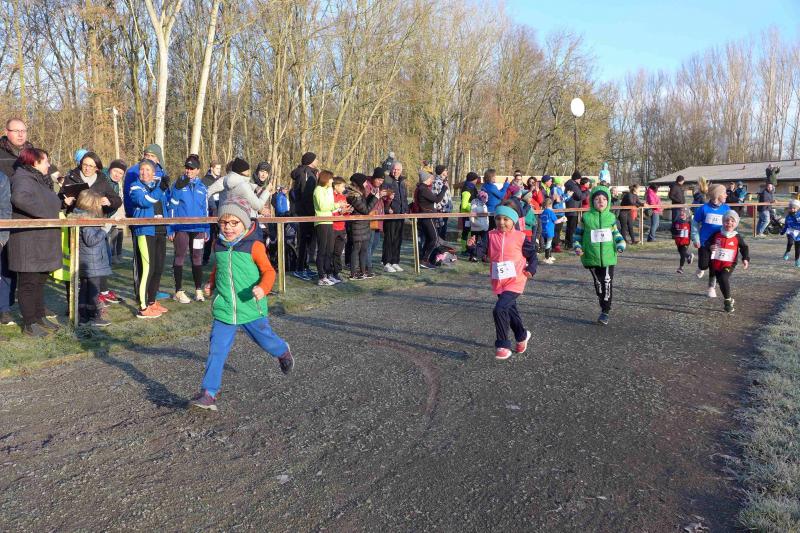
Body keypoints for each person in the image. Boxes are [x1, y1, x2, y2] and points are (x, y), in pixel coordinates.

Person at [190, 197, 294, 412]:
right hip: (225, 308)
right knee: (217, 349)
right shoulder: (218, 244)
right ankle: (209, 393)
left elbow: (269, 271)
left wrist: (263, 288)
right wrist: (211, 284)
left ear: (244, 223)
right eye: (223, 223)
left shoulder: (254, 246)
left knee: (265, 341)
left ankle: (283, 351)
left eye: (234, 223)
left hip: (250, 307)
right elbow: (219, 268)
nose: (228, 228)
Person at [8, 148, 65, 337]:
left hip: (42, 240)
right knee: (29, 283)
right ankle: (29, 323)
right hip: (28, 241)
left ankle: (40, 317)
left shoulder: (40, 179)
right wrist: (47, 214)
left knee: (40, 282)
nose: (49, 164)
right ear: (35, 162)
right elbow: (19, 198)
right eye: (46, 161)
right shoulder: (22, 178)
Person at [488, 202, 537, 360]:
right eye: (498, 219)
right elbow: (481, 250)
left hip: (516, 280)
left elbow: (532, 255)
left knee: (500, 309)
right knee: (510, 310)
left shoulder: (520, 237)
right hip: (499, 280)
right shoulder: (490, 235)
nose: (501, 222)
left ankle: (503, 345)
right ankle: (522, 335)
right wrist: (473, 247)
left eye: (505, 219)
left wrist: (531, 269)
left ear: (513, 221)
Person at [573, 185, 626, 325]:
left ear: (608, 201)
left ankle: (605, 311)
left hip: (608, 256)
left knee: (607, 281)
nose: (601, 201)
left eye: (604, 199)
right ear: (592, 201)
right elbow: (577, 235)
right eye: (597, 199)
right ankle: (602, 300)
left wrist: (620, 243)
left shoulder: (611, 218)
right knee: (599, 283)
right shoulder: (586, 218)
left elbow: (616, 233)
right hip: (591, 256)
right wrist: (577, 247)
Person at [129, 159, 169, 318]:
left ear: (154, 173)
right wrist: (160, 189)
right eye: (142, 169)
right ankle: (143, 307)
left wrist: (176, 188)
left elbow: (166, 206)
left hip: (160, 230)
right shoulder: (135, 186)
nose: (144, 172)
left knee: (158, 268)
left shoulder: (158, 186)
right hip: (145, 230)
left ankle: (152, 301)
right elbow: (145, 202)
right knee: (148, 268)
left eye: (147, 170)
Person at [168, 155, 210, 303]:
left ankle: (198, 290)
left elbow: (205, 210)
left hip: (198, 228)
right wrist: (170, 228)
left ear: (198, 170)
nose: (189, 171)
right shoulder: (178, 184)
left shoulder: (203, 188)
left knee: (197, 257)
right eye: (187, 168)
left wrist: (207, 229)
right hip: (181, 228)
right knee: (180, 256)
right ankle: (178, 291)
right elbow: (171, 206)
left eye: (192, 168)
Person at [72, 190, 113, 327]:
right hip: (92, 261)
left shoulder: (81, 216)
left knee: (85, 289)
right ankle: (94, 316)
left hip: (88, 260)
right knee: (93, 290)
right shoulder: (86, 218)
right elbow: (91, 240)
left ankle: (83, 316)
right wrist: (104, 230)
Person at [699, 211, 749, 312]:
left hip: (729, 263)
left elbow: (744, 247)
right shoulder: (717, 234)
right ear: (723, 222)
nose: (729, 223)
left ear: (736, 223)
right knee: (721, 281)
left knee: (723, 278)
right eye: (727, 221)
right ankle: (729, 299)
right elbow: (707, 243)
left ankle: (727, 301)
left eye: (732, 221)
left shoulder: (737, 236)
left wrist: (745, 258)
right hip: (716, 263)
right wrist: (710, 246)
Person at [692, 183, 730, 287]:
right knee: (704, 265)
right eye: (724, 193)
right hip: (704, 242)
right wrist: (695, 239)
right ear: (717, 195)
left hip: (719, 242)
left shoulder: (727, 209)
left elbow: (732, 223)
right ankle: (701, 268)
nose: (726, 195)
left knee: (714, 265)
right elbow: (695, 224)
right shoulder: (703, 208)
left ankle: (711, 287)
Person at [290, 152, 318, 280]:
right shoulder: (304, 173)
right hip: (304, 213)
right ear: (310, 161)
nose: (317, 161)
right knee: (303, 241)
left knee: (307, 241)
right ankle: (299, 269)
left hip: (307, 212)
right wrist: (311, 212)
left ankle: (305, 267)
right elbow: (305, 195)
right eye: (316, 159)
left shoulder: (310, 172)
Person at [346, 173, 379, 280]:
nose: (366, 184)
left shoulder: (359, 193)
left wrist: (372, 196)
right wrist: (376, 198)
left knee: (364, 249)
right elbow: (365, 210)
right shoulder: (353, 195)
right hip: (357, 225)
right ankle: (353, 273)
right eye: (365, 182)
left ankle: (363, 271)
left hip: (364, 225)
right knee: (356, 249)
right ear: (359, 183)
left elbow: (364, 205)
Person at [415, 170, 448, 268]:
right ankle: (424, 260)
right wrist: (444, 189)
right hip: (427, 216)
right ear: (426, 179)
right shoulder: (423, 189)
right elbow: (437, 199)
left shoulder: (423, 188)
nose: (432, 180)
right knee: (434, 239)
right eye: (430, 178)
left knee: (430, 239)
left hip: (427, 216)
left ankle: (424, 259)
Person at [312, 170, 337, 286]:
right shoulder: (318, 190)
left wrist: (340, 207)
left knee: (329, 249)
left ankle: (328, 273)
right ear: (326, 179)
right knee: (322, 250)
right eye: (331, 178)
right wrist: (337, 205)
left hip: (329, 221)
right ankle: (321, 276)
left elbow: (331, 206)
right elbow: (322, 207)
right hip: (321, 222)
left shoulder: (329, 190)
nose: (332, 181)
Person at [382, 161, 408, 269]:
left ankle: (395, 261)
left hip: (401, 214)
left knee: (398, 239)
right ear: (391, 169)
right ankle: (387, 262)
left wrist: (405, 210)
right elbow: (383, 197)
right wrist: (387, 209)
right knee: (389, 238)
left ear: (401, 170)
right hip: (391, 215)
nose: (395, 171)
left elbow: (404, 198)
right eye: (394, 169)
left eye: (398, 169)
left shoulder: (402, 182)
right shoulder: (387, 180)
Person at [365, 168, 387, 272]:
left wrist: (388, 198)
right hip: (371, 217)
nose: (380, 182)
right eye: (378, 179)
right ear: (374, 178)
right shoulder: (368, 186)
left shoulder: (380, 187)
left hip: (379, 218)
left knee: (376, 242)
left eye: (382, 180)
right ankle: (368, 266)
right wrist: (377, 196)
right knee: (369, 242)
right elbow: (368, 202)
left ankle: (367, 262)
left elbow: (382, 203)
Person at [106, 159, 127, 265]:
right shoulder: (103, 180)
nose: (117, 175)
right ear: (110, 169)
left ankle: (113, 258)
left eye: (120, 173)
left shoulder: (116, 184)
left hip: (109, 217)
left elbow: (117, 201)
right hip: (99, 219)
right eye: (115, 171)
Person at [202, 160, 223, 265]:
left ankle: (221, 258)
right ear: (212, 168)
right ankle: (205, 258)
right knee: (209, 235)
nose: (219, 170)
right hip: (210, 211)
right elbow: (207, 195)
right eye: (217, 168)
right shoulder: (205, 180)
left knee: (222, 234)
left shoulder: (221, 179)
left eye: (220, 168)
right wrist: (213, 208)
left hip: (221, 209)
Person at [331, 176, 351, 281]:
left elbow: (345, 213)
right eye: (342, 186)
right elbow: (329, 211)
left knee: (338, 252)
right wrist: (339, 212)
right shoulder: (330, 196)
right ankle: (328, 272)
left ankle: (337, 272)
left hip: (341, 228)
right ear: (336, 186)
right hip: (332, 227)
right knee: (330, 251)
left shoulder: (343, 197)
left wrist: (347, 211)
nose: (344, 188)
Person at [564, 170, 589, 249]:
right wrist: (587, 192)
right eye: (579, 179)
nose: (580, 180)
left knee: (569, 226)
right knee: (572, 227)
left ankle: (568, 243)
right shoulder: (573, 186)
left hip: (570, 207)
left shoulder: (570, 184)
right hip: (573, 208)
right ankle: (570, 243)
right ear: (576, 179)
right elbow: (580, 196)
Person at [541, 175, 565, 252]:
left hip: (556, 214)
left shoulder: (548, 189)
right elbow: (557, 200)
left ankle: (549, 252)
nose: (551, 182)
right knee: (555, 232)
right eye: (550, 181)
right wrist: (567, 196)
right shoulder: (553, 189)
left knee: (550, 239)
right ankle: (552, 249)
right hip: (557, 213)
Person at [539, 198, 566, 264]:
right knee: (548, 243)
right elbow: (556, 221)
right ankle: (547, 258)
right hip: (549, 230)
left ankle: (550, 256)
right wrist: (562, 219)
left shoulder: (543, 212)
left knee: (548, 243)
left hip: (544, 230)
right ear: (551, 205)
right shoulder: (551, 212)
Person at [467, 189, 489, 262]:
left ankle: (483, 255)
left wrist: (486, 224)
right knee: (474, 242)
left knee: (484, 242)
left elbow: (486, 216)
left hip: (484, 227)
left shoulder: (484, 204)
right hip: (476, 227)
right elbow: (471, 216)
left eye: (486, 198)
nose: (486, 199)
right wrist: (476, 224)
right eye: (484, 197)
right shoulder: (474, 204)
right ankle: (473, 256)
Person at [460, 172, 480, 250]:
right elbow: (464, 205)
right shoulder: (467, 188)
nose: (477, 181)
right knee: (466, 232)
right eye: (476, 179)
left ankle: (470, 248)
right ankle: (464, 249)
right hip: (466, 214)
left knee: (472, 232)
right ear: (473, 179)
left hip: (471, 214)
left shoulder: (472, 187)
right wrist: (474, 208)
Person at [671, 207, 694, 274]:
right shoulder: (676, 221)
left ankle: (681, 268)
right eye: (681, 212)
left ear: (687, 215)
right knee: (681, 252)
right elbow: (672, 229)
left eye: (683, 213)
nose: (682, 213)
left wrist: (693, 238)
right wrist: (674, 233)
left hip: (685, 241)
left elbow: (692, 231)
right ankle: (689, 256)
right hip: (678, 240)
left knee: (682, 254)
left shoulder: (689, 223)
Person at [433, 165, 452, 241]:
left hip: (446, 211)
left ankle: (442, 247)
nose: (447, 171)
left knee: (443, 232)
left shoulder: (445, 182)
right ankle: (437, 248)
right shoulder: (436, 182)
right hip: (440, 211)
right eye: (445, 170)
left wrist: (450, 207)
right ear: (441, 172)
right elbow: (435, 196)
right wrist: (439, 208)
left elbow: (448, 196)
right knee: (439, 232)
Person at [780, 199, 800, 266]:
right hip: (790, 231)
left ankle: (797, 260)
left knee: (797, 247)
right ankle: (787, 252)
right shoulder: (788, 216)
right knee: (790, 242)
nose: (792, 209)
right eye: (791, 208)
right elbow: (786, 225)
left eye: (794, 208)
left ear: (798, 208)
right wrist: (783, 231)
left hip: (798, 232)